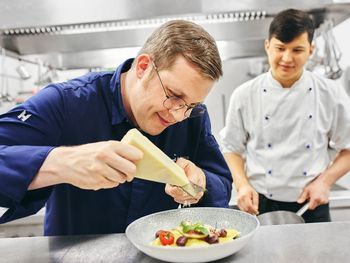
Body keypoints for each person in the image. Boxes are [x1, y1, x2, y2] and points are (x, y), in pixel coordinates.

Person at [0, 20, 232, 235]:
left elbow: (222, 183)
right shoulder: (66, 102)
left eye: (191, 105)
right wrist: (61, 162)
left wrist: (201, 183)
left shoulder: (191, 116)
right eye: (173, 95)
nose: (178, 115)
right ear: (143, 67)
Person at [219, 9, 350, 223]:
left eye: (297, 50)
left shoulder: (331, 94)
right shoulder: (244, 95)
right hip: (261, 203)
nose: (287, 58)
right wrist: (242, 185)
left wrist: (325, 182)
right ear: (267, 46)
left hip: (312, 202)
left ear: (311, 50)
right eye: (280, 48)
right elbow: (231, 148)